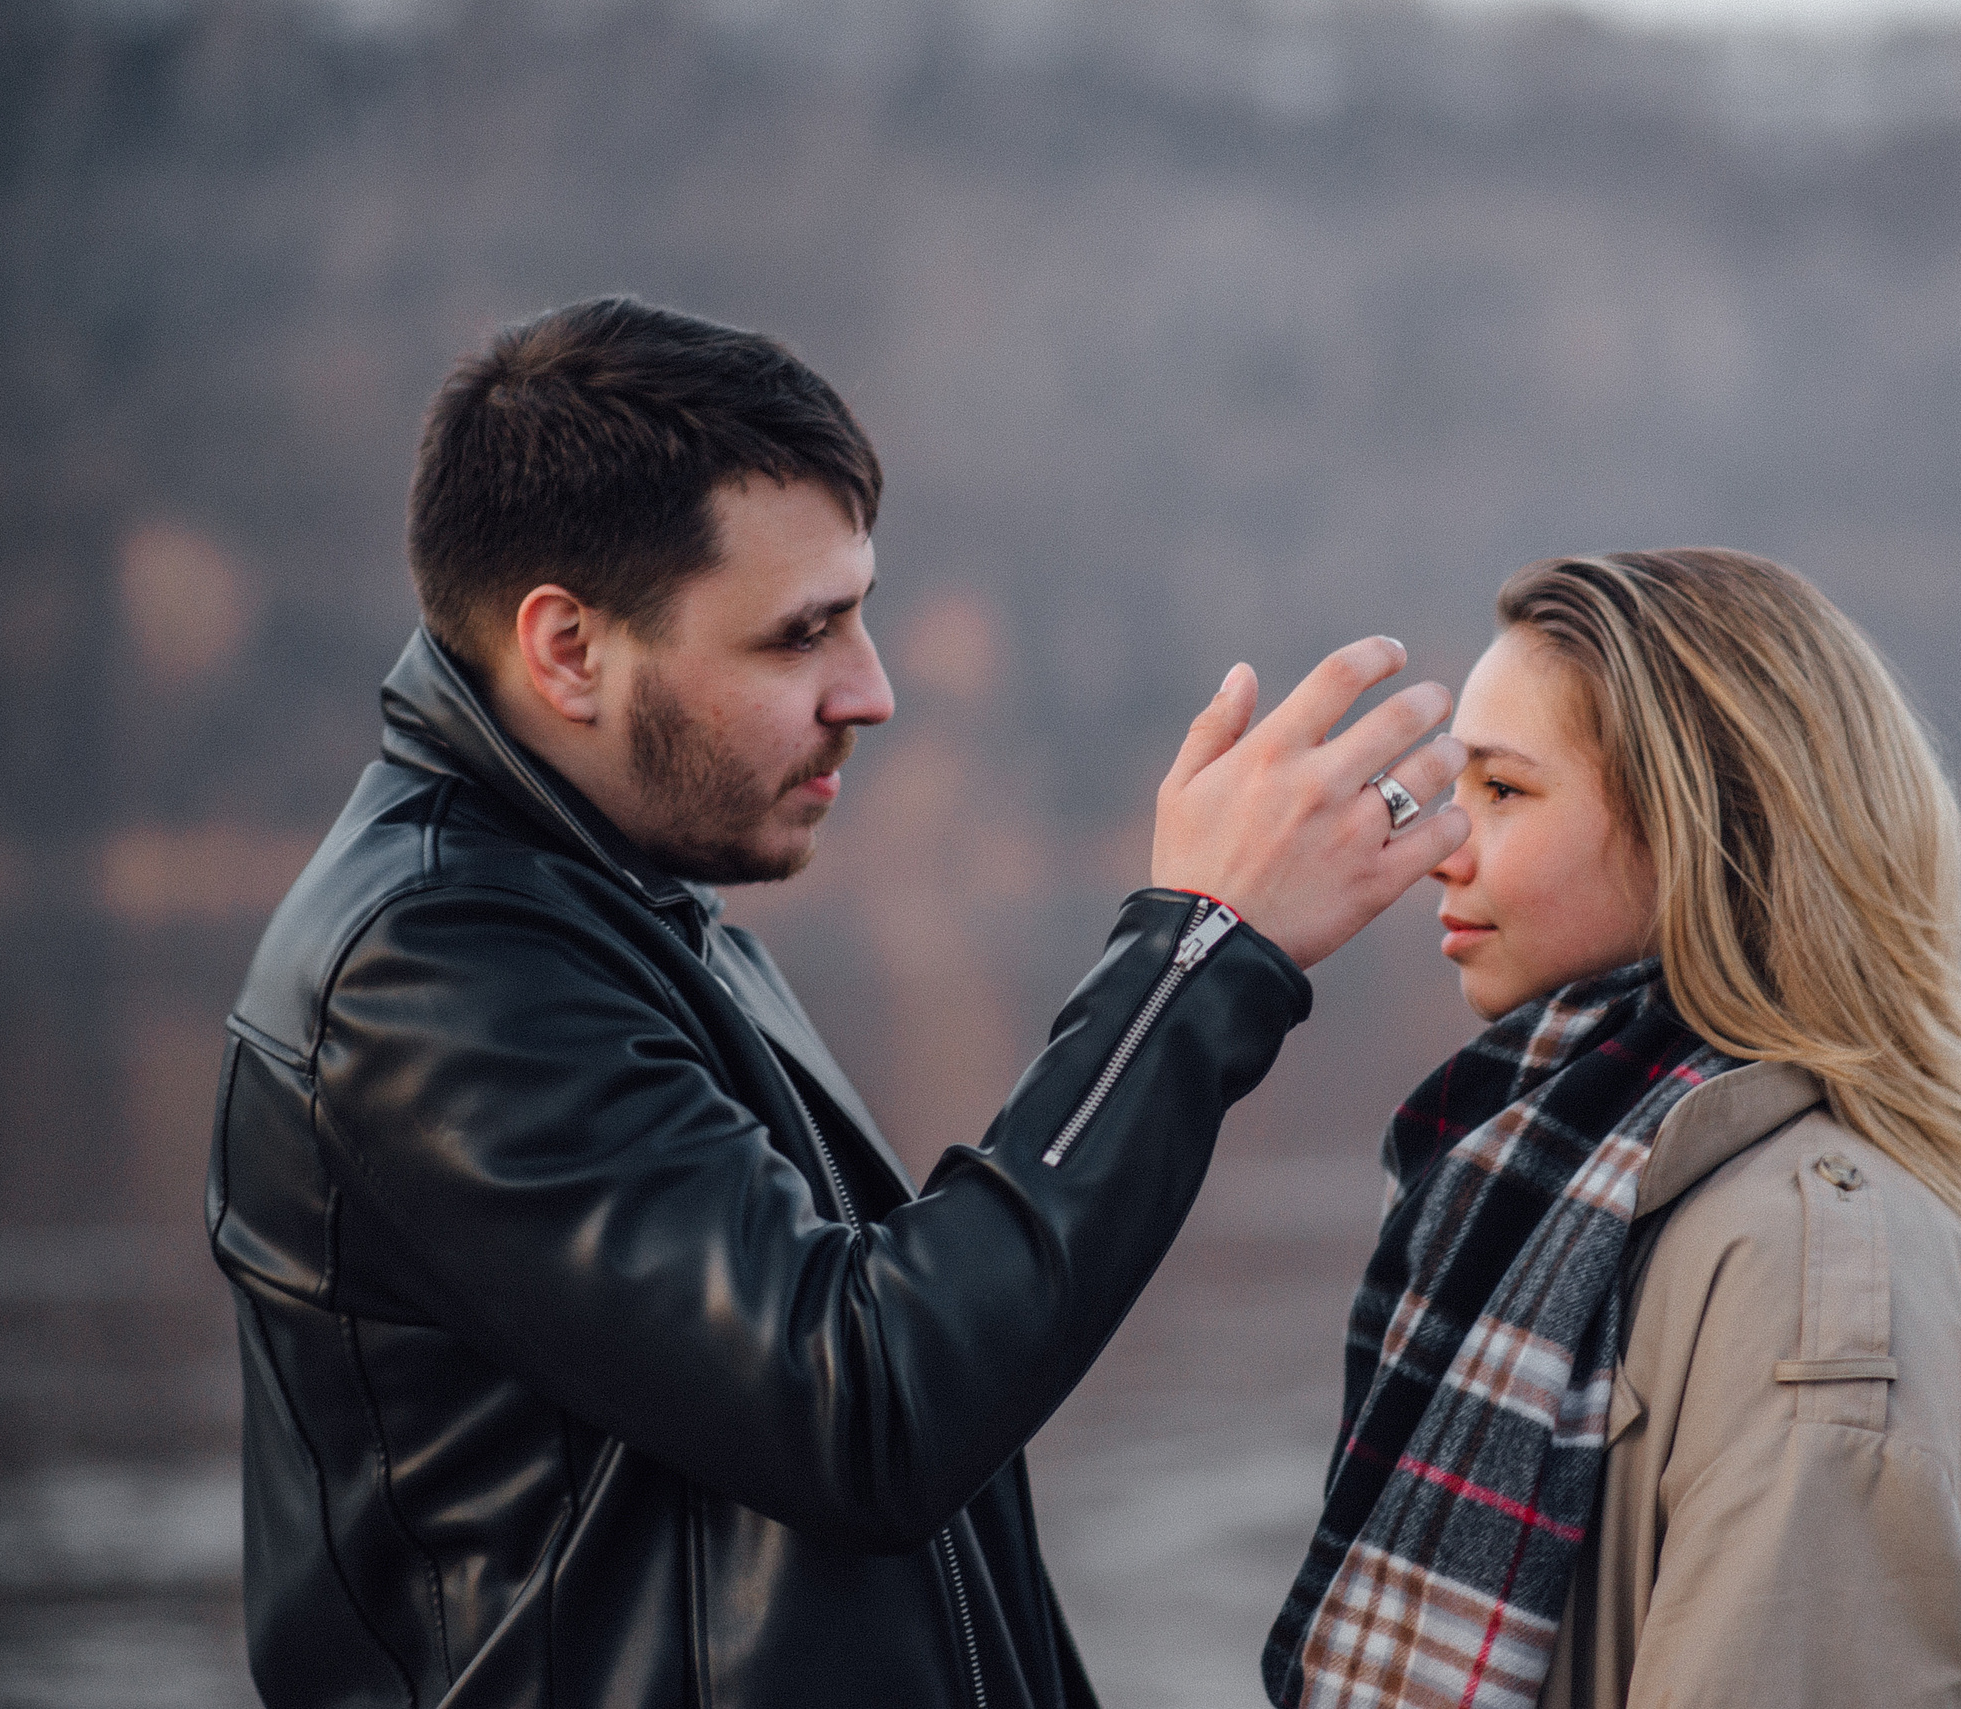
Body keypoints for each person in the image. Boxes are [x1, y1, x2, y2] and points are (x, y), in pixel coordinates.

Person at [209, 296, 1470, 1707]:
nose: (869, 692)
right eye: (799, 635)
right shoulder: (434, 972)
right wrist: (1203, 954)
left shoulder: (618, 909)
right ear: (566, 648)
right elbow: (866, 1401)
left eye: (858, 616)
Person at [1266, 549, 1961, 1709]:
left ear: (1698, 832)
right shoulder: (1567, 1191)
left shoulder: (1811, 1277)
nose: (1444, 849)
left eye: (1503, 791)